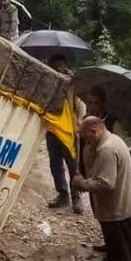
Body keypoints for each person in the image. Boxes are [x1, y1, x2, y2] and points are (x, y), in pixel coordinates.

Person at [72, 116, 131, 261]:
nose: (86, 142)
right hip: (126, 210)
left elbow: (106, 183)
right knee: (129, 256)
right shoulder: (113, 141)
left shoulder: (107, 150)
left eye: (87, 138)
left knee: (120, 259)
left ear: (95, 131)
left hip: (119, 212)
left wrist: (82, 184)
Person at [45, 55, 84, 214]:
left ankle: (76, 197)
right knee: (55, 164)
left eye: (60, 65)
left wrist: (80, 121)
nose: (58, 69)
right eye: (55, 66)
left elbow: (80, 104)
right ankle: (63, 194)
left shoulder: (73, 83)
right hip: (51, 128)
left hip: (69, 129)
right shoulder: (48, 81)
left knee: (73, 165)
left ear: (65, 65)